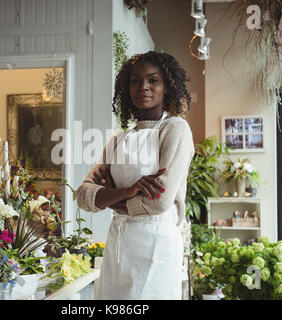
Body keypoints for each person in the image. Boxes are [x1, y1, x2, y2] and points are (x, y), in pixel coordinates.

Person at [76, 51, 195, 300]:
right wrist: (128, 191)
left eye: (153, 80)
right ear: (126, 87)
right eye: (135, 80)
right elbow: (83, 195)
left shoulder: (175, 129)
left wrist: (108, 199)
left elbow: (159, 201)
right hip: (118, 244)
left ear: (167, 86)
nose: (143, 87)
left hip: (157, 244)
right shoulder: (118, 140)